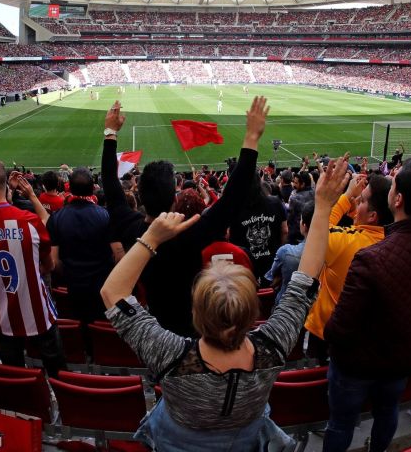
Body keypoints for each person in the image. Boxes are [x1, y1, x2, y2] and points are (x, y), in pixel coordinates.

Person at [99, 156, 348, 451]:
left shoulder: (168, 355)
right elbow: (305, 278)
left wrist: (151, 238)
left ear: (197, 312)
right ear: (253, 313)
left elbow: (112, 293)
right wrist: (323, 209)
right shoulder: (274, 345)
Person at [323, 157, 411, 452]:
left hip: (356, 368)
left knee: (341, 423)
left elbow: (337, 330)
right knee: (387, 413)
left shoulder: (371, 259)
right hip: (403, 361)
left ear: (397, 199)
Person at [100, 97, 266, 336]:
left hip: (156, 329)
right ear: (174, 199)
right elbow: (233, 197)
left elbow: (111, 186)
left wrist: (110, 133)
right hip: (196, 330)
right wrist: (251, 137)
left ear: (140, 196)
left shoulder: (131, 229)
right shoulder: (193, 233)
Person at [0, 158, 64, 373]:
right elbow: (49, 265)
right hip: (39, 314)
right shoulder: (30, 222)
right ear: (5, 185)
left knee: (14, 375)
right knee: (57, 370)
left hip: (1, 318)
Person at [304, 172, 392, 362]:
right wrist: (355, 209)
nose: (356, 203)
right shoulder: (392, 241)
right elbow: (360, 228)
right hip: (365, 335)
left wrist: (345, 198)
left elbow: (317, 230)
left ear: (373, 216)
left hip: (327, 333)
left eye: (361, 202)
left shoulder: (347, 244)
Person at [47, 167, 118, 332]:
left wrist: (72, 272)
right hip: (101, 283)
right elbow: (117, 254)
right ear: (93, 186)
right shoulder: (105, 215)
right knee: (101, 325)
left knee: (81, 324)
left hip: (75, 284)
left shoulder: (57, 218)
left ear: (69, 188)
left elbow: (54, 262)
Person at [229, 178, 288, 282]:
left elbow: (231, 238)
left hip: (247, 268)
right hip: (272, 263)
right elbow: (285, 231)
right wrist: (280, 258)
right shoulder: (275, 202)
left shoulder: (234, 207)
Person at [265, 201, 312, 301]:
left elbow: (271, 278)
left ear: (304, 225)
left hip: (287, 306)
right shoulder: (336, 250)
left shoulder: (286, 252)